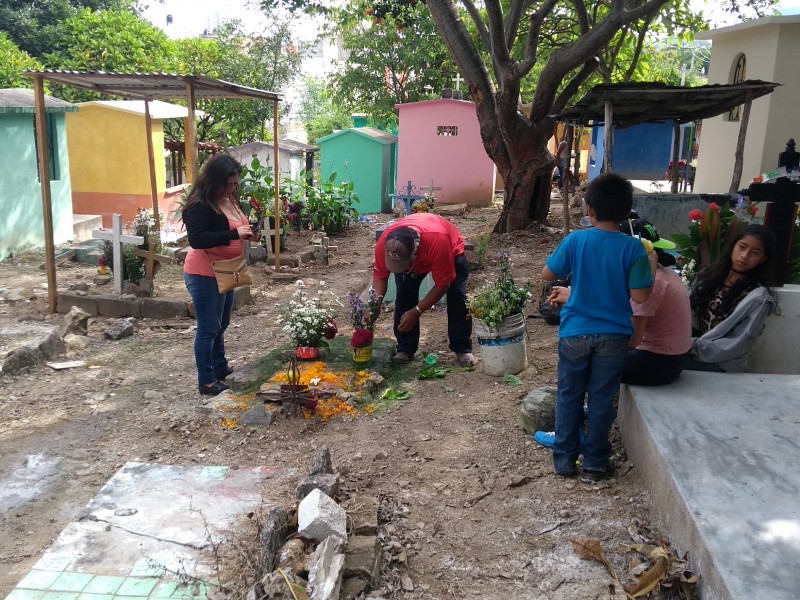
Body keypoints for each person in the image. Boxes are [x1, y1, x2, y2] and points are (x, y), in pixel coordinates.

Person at [542, 173, 654, 482]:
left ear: (589, 210)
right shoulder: (633, 249)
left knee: (569, 395)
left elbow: (547, 274)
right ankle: (594, 464)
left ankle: (564, 460)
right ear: (627, 210)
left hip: (575, 332)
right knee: (602, 398)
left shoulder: (577, 240)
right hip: (614, 335)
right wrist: (651, 269)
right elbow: (641, 296)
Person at [181, 154, 260, 396]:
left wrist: (251, 234)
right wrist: (234, 235)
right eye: (227, 184)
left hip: (227, 270)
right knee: (208, 327)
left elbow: (236, 229)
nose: (231, 188)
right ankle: (206, 381)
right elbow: (197, 239)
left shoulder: (229, 200)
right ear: (214, 180)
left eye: (234, 184)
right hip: (204, 273)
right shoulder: (199, 205)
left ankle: (220, 368)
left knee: (222, 323)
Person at [371, 212, 474, 367]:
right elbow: (380, 277)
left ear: (415, 253)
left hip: (450, 250)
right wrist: (374, 305)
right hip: (420, 253)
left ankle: (462, 347)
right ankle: (406, 348)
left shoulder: (438, 242)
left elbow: (442, 285)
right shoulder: (385, 244)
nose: (401, 269)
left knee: (458, 295)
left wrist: (418, 310)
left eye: (404, 264)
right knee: (404, 295)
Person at [684, 224, 777, 373]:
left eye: (754, 252)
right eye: (742, 247)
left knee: (663, 363)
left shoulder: (757, 298)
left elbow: (739, 343)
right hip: (690, 349)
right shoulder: (708, 277)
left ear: (763, 259)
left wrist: (691, 347)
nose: (744, 256)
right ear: (733, 246)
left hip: (723, 362)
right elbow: (685, 314)